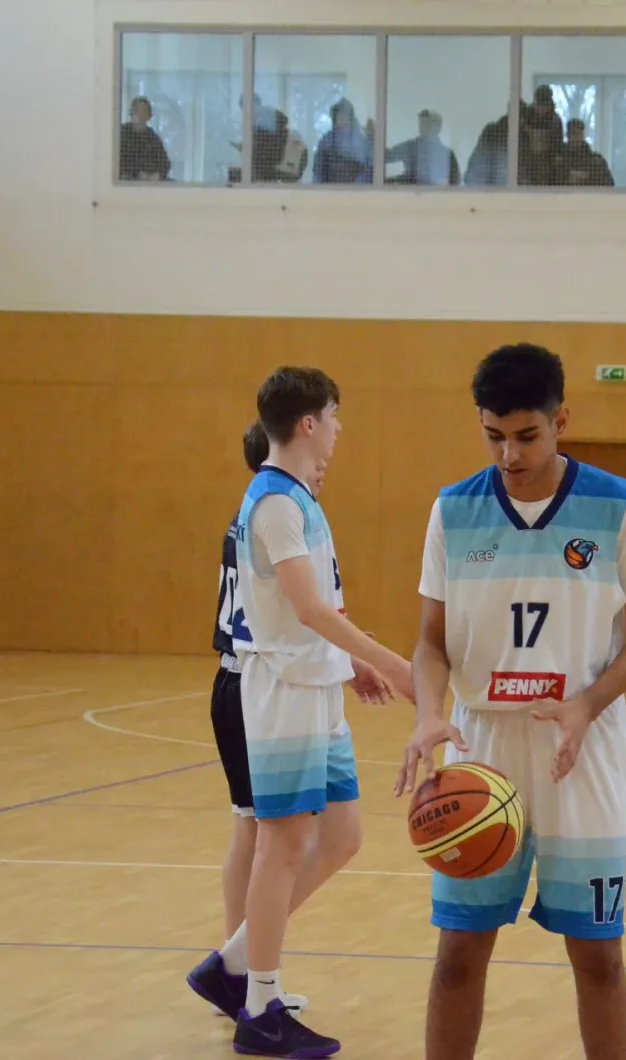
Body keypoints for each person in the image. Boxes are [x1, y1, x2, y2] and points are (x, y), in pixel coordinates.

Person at [396, 343, 626, 1060]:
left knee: (599, 956)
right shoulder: (453, 511)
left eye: (526, 436)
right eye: (493, 436)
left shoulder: (615, 505)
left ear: (560, 421)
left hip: (581, 747)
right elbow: (430, 642)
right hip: (482, 747)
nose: (509, 455)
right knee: (460, 952)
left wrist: (588, 703)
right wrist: (429, 713)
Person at [227, 371, 416, 1058]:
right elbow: (306, 609)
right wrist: (392, 663)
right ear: (308, 423)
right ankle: (259, 1007)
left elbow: (316, 606)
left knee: (342, 836)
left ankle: (231, 962)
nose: (339, 428)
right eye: (333, 416)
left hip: (317, 685)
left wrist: (349, 661)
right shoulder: (275, 502)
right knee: (282, 847)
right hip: (286, 690)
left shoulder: (299, 496)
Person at [185, 421, 393, 1025]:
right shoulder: (271, 515)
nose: (326, 461)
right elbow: (290, 617)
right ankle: (246, 978)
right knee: (258, 832)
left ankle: (240, 968)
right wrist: (371, 660)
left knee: (284, 835)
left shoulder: (291, 514)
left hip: (284, 675)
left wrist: (346, 661)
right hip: (251, 678)